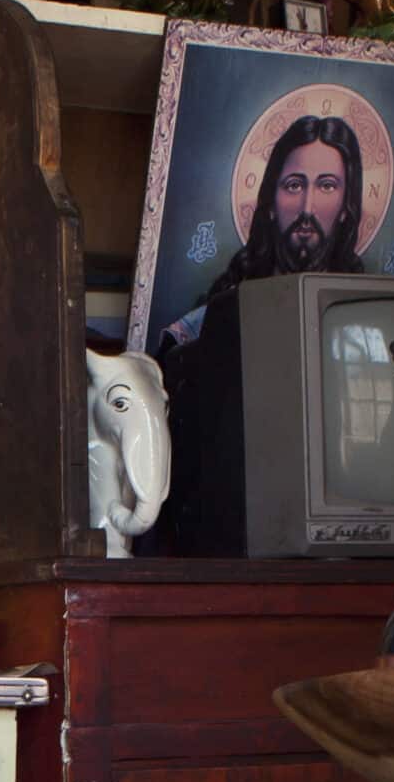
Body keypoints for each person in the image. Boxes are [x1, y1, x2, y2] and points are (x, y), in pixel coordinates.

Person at [150, 114, 367, 552]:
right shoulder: (215, 319)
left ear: (346, 204)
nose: (307, 207)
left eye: (326, 185)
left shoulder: (367, 326)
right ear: (271, 200)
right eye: (293, 185)